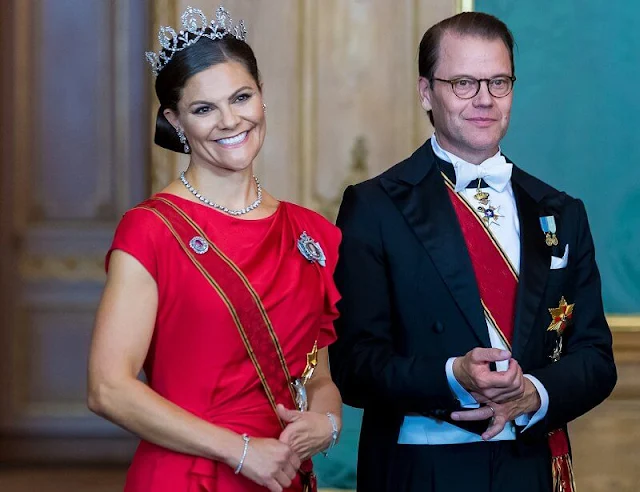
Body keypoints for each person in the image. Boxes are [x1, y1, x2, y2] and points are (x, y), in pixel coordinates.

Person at [329, 11, 616, 492]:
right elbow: (354, 365)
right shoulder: (375, 207)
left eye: (498, 82)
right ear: (426, 92)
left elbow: (596, 359)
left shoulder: (562, 212)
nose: (484, 99)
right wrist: (453, 375)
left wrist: (533, 395)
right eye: (463, 83)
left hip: (530, 464)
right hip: (421, 470)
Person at [87, 6, 342, 492]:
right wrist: (241, 451)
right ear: (175, 120)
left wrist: (326, 423)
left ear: (263, 99)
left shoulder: (309, 233)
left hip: (282, 475)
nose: (230, 121)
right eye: (204, 108)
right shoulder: (151, 230)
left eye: (241, 97)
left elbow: (316, 379)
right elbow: (107, 388)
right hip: (189, 475)